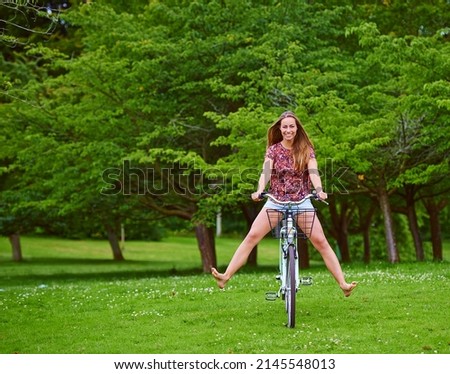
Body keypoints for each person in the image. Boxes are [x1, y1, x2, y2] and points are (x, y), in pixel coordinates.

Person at [211, 111, 357, 297]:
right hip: (276, 201)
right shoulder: (273, 150)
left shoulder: (306, 149)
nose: (288, 130)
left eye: (292, 126)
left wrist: (319, 190)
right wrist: (258, 190)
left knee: (321, 242)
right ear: (280, 129)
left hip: (302, 201)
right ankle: (225, 277)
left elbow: (313, 172)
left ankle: (343, 284)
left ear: (297, 129)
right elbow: (265, 172)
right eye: (285, 126)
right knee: (252, 237)